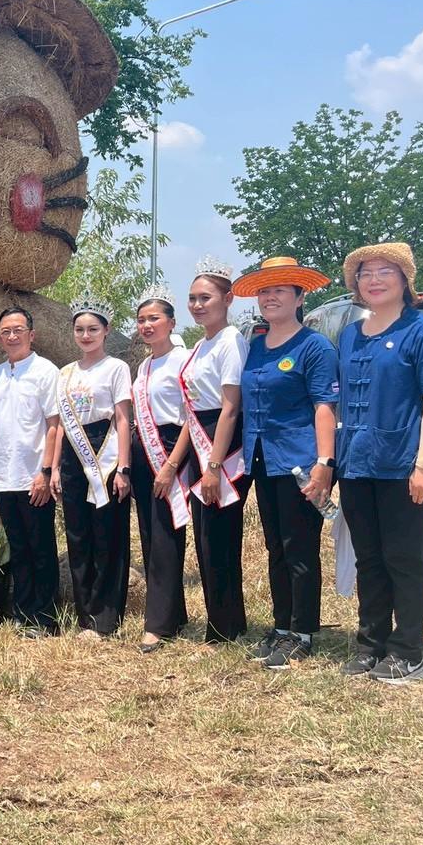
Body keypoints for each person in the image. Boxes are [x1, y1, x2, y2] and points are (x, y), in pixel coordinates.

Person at [335, 242, 423, 685]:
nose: (374, 279)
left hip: (405, 466)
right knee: (369, 559)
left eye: (386, 271)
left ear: (405, 280)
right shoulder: (350, 334)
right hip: (357, 466)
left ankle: (408, 652)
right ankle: (371, 643)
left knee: (404, 558)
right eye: (365, 272)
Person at [231, 259, 339, 669]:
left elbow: (324, 406)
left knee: (300, 548)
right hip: (263, 460)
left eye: (280, 289)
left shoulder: (314, 347)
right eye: (264, 290)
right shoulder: (255, 347)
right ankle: (281, 626)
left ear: (299, 297)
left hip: (300, 462)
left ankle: (303, 631)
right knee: (275, 546)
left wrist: (324, 462)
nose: (270, 297)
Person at [48, 296, 132, 637]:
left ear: (106, 330)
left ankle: (106, 618)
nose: (86, 335)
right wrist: (54, 468)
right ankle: (85, 615)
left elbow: (124, 419)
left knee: (107, 533)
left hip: (106, 449)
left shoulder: (116, 367)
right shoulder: (66, 373)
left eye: (93, 329)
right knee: (78, 534)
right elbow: (59, 425)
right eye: (80, 329)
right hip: (73, 453)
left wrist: (123, 467)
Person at [0, 306, 61, 637]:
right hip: (4, 479)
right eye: (6, 332)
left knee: (41, 548)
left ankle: (46, 618)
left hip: (34, 477)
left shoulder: (46, 372)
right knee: (19, 548)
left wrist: (46, 471)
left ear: (31, 334)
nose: (12, 336)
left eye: (18, 330)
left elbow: (54, 425)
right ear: (0, 337)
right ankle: (23, 613)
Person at [179, 258, 251, 644]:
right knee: (205, 538)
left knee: (220, 537)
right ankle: (219, 621)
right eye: (192, 298)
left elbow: (230, 407)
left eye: (205, 297)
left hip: (220, 443)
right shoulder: (200, 345)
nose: (197, 305)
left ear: (228, 299)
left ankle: (227, 627)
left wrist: (213, 465)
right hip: (199, 438)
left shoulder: (230, 341)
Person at [130, 288, 192, 653]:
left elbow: (191, 417)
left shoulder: (184, 360)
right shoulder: (145, 365)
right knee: (151, 536)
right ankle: (174, 613)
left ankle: (157, 624)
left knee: (167, 537)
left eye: (154, 318)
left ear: (171, 322)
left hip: (169, 451)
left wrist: (171, 465)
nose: (147, 325)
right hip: (144, 452)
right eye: (141, 320)